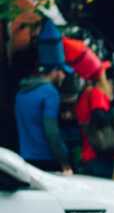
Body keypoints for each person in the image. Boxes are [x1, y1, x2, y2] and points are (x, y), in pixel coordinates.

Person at [15, 20, 72, 173]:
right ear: (55, 71)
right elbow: (51, 130)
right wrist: (63, 160)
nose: (63, 76)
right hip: (47, 161)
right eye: (62, 72)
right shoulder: (50, 93)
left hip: (25, 159)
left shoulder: (22, 91)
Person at [74, 69, 114, 178]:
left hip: (89, 156)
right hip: (102, 156)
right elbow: (99, 118)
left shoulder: (82, 95)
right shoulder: (96, 93)